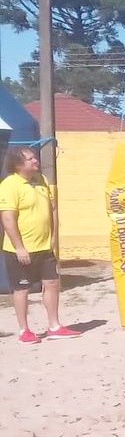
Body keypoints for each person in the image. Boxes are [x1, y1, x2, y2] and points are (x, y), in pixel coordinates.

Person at [0, 146, 81, 344]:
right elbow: (8, 219)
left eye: (34, 157)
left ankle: (54, 326)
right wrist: (19, 247)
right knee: (22, 289)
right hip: (21, 250)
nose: (35, 161)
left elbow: (52, 209)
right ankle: (24, 330)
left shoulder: (41, 180)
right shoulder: (9, 185)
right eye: (30, 159)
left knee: (52, 283)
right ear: (18, 165)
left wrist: (54, 237)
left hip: (45, 247)